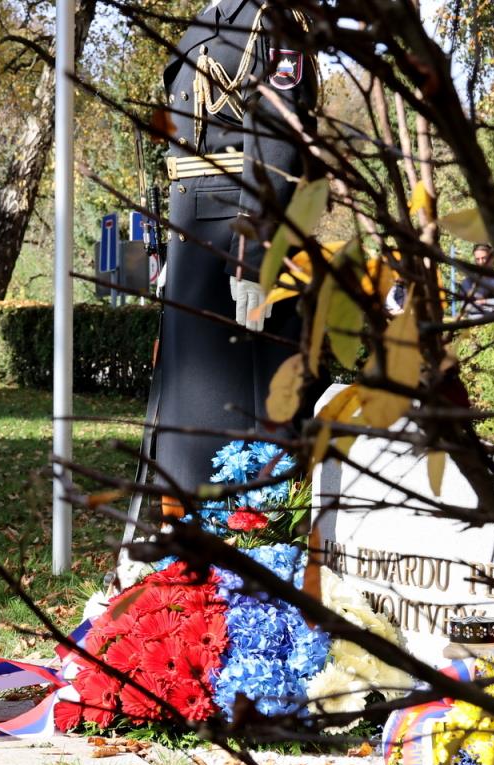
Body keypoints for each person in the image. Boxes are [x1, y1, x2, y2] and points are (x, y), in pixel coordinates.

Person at [128, 0, 320, 521]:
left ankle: (255, 540)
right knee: (190, 410)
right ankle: (186, 533)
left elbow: (277, 136)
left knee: (247, 408)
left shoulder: (273, 20)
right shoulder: (202, 22)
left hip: (239, 231)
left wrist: (256, 257)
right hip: (194, 235)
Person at [460, 243, 494, 317]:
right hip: (477, 317)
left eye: (484, 258)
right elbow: (465, 306)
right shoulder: (468, 282)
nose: (481, 262)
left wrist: (485, 301)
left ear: (492, 258)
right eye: (477, 259)